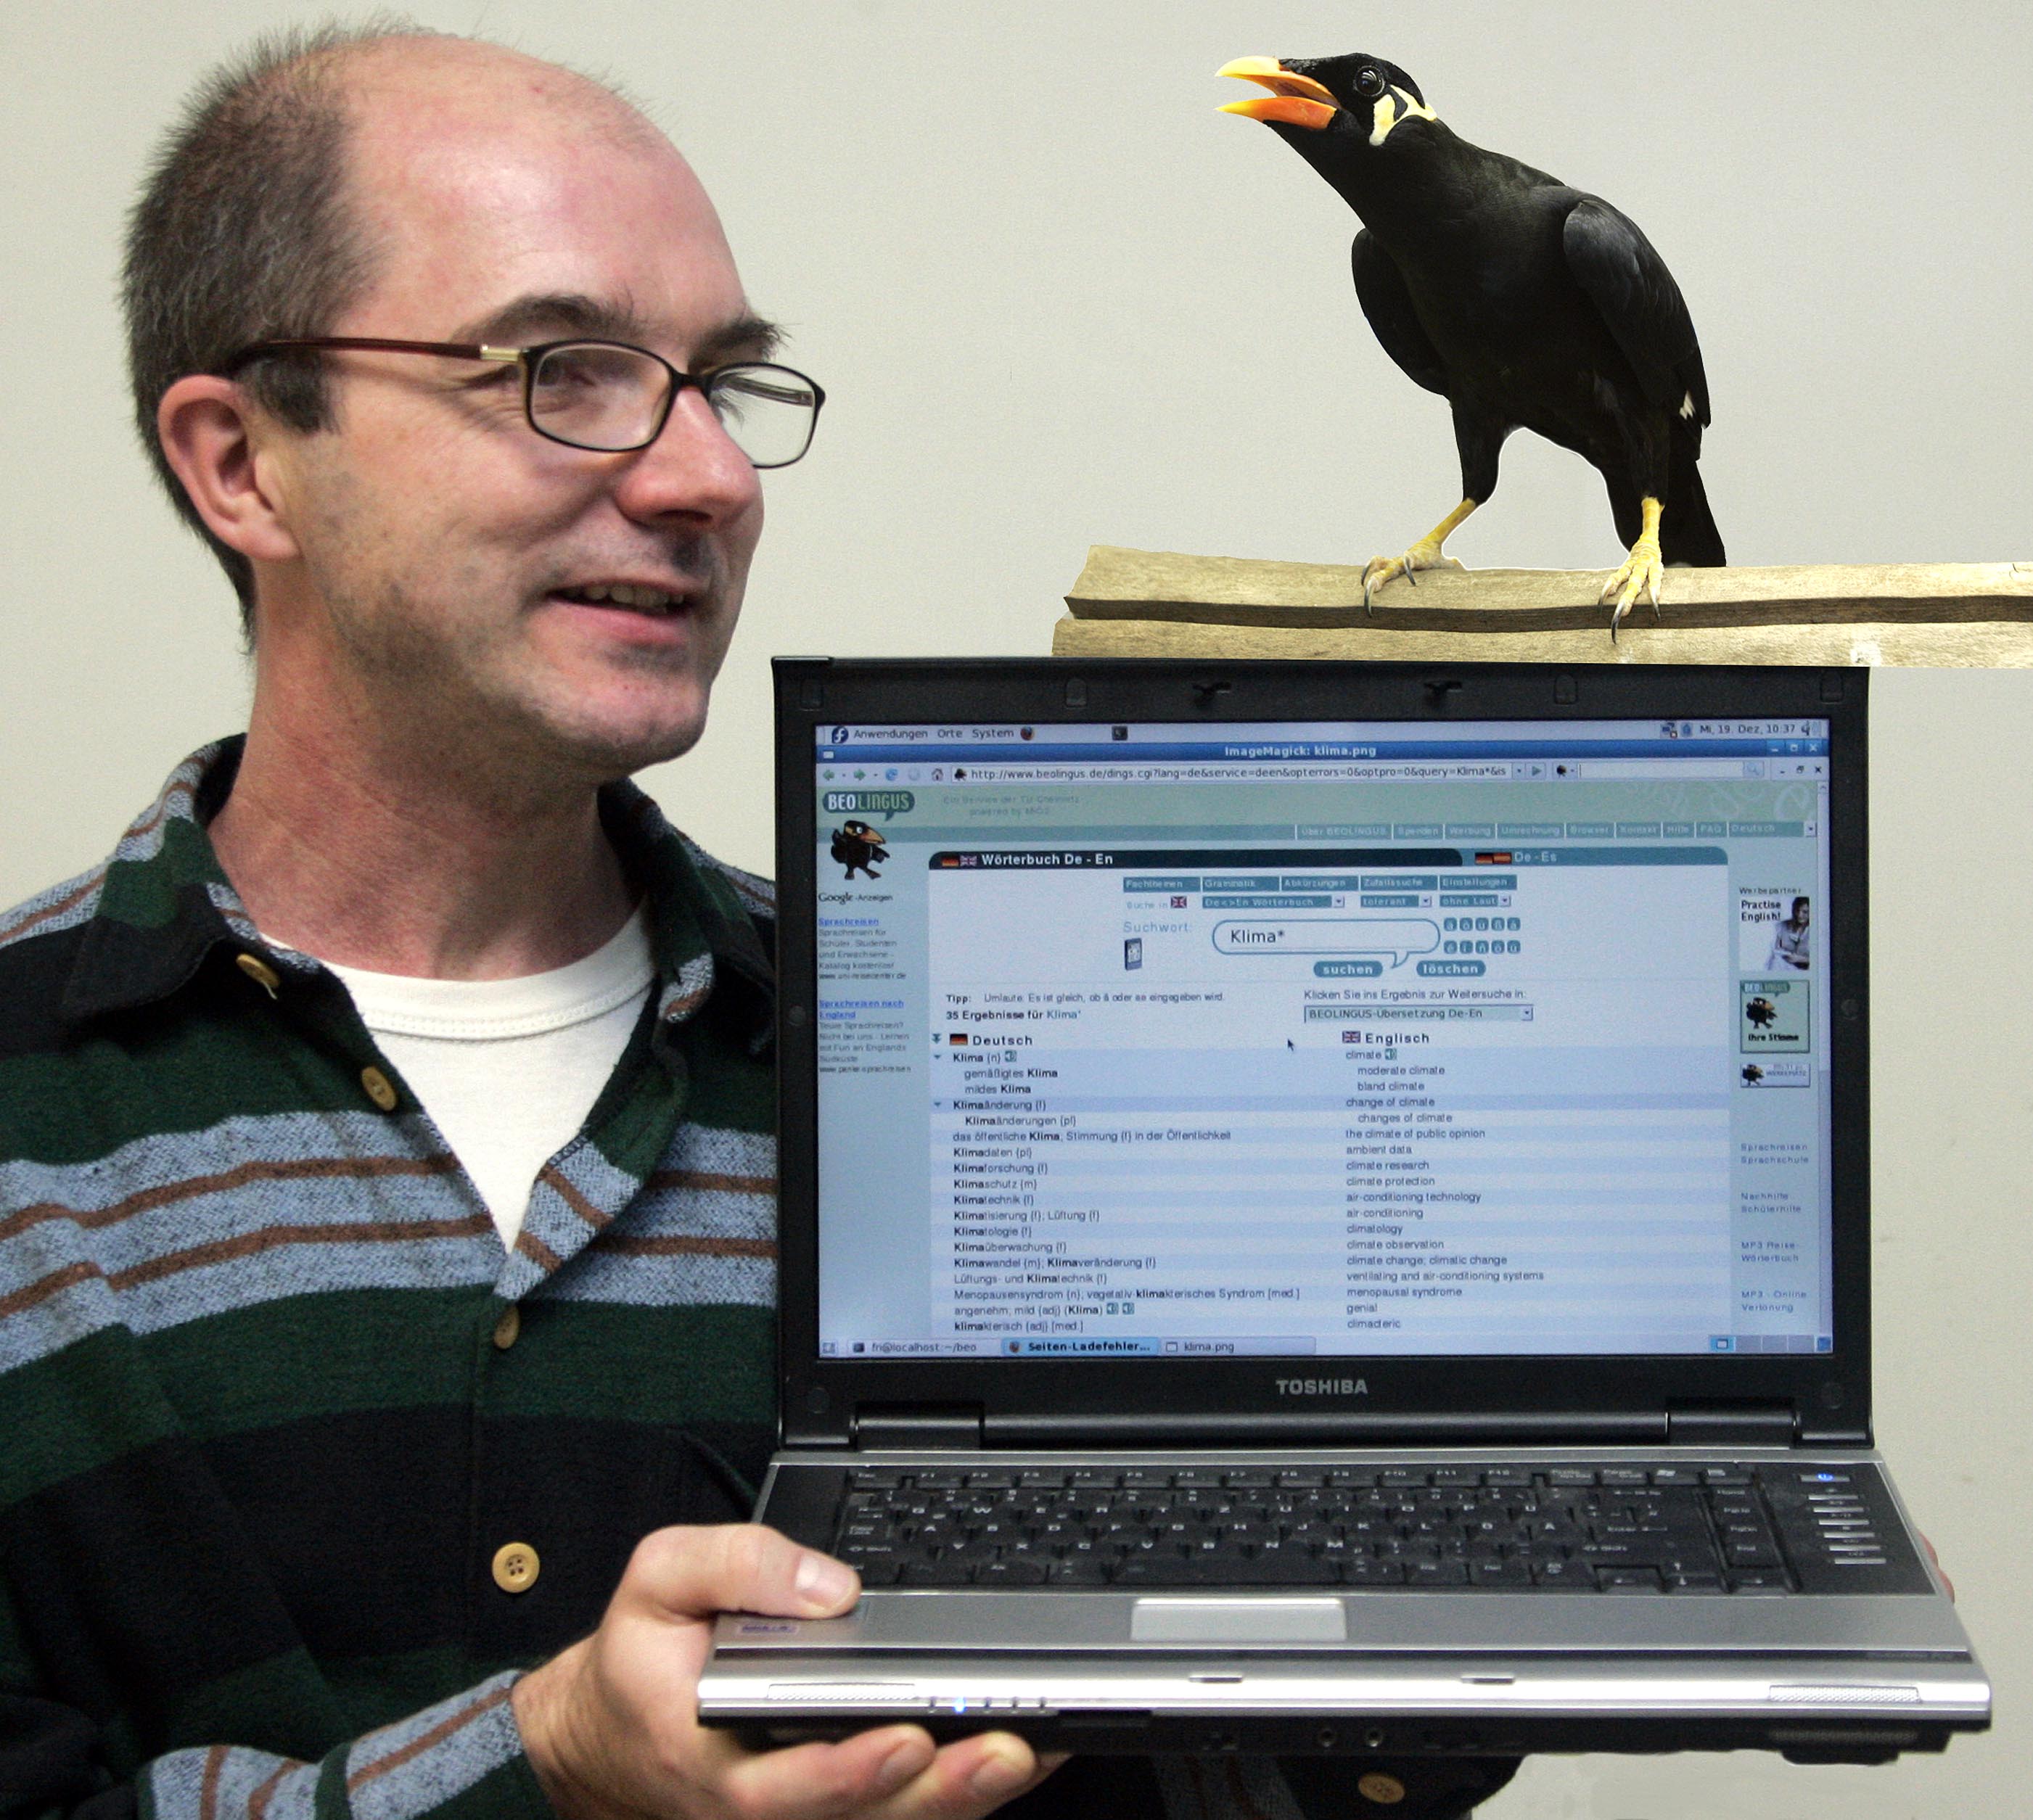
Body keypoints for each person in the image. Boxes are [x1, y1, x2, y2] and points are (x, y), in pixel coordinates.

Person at [0, 24, 1515, 1820]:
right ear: (242, 460)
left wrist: (1455, 1549)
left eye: (722, 383)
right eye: (561, 371)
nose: (711, 477)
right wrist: (549, 1769)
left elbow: (1212, 1774)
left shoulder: (986, 1063)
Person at [1768, 896, 1812, 972]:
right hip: (1784, 967)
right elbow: (1775, 949)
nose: (1800, 915)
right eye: (1797, 911)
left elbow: (1822, 958)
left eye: (1805, 912)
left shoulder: (1818, 930)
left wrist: (1800, 959)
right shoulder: (1781, 926)